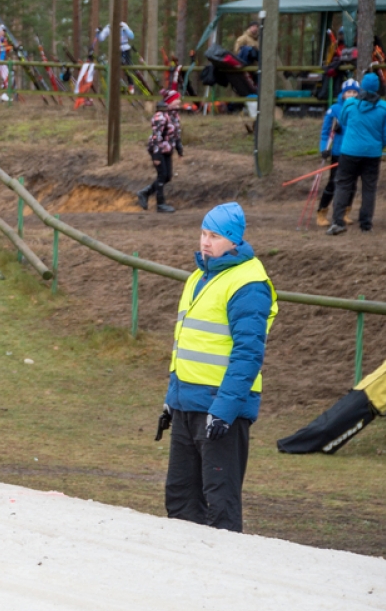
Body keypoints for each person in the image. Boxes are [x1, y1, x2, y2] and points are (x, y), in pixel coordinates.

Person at [157, 202, 275, 533]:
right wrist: (171, 398)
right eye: (203, 233)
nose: (206, 242)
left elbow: (248, 353)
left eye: (216, 236)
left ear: (234, 241)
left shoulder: (248, 284)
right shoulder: (199, 276)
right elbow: (184, 344)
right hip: (186, 404)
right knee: (180, 498)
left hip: (221, 410)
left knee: (220, 504)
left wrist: (223, 410)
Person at [328, 72, 386, 235]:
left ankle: (338, 222)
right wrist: (380, 145)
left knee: (343, 185)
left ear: (362, 87)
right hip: (372, 154)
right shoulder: (384, 107)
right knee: (369, 188)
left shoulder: (350, 104)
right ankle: (366, 223)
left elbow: (343, 121)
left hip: (349, 151)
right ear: (378, 88)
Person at [315, 80, 359, 227]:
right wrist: (324, 148)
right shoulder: (334, 109)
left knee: (352, 184)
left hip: (354, 151)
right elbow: (325, 131)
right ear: (343, 93)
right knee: (334, 182)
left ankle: (345, 211)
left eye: (354, 92)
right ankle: (322, 211)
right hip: (338, 151)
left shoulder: (360, 108)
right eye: (349, 92)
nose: (351, 95)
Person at [137, 90, 183, 213]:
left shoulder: (174, 116)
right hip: (158, 149)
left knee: (168, 176)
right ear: (169, 101)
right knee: (162, 175)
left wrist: (179, 148)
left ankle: (145, 193)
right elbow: (157, 136)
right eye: (176, 99)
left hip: (168, 149)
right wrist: (156, 155)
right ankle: (160, 204)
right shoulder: (160, 116)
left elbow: (176, 134)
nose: (179, 101)